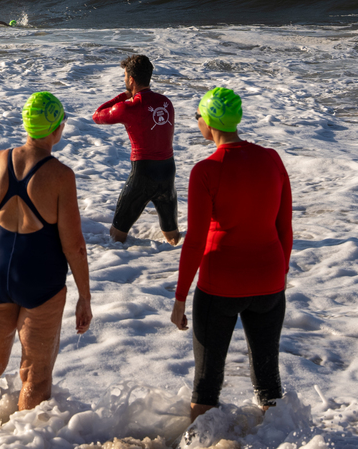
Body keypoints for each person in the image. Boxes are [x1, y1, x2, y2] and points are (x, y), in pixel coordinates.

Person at [170, 88, 292, 420]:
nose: (196, 121)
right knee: (269, 384)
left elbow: (195, 241)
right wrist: (278, 275)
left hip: (219, 286)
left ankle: (199, 443)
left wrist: (180, 297)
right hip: (269, 282)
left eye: (197, 116)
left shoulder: (206, 170)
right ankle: (279, 440)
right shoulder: (271, 158)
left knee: (206, 385)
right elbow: (285, 229)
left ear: (208, 121)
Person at [0, 93, 92, 410]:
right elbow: (74, 246)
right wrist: (84, 297)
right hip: (39, 280)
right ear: (56, 130)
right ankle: (23, 443)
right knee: (35, 377)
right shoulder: (61, 176)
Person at [91, 54, 180, 245]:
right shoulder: (167, 103)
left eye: (124, 76)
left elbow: (97, 115)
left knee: (116, 236)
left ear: (131, 79)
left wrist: (123, 96)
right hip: (168, 174)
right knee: (174, 238)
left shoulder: (128, 107)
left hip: (143, 176)